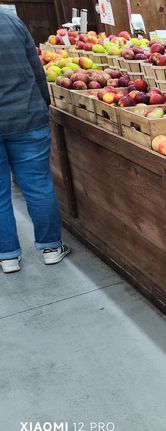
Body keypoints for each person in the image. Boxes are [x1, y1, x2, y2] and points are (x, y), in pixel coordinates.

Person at [0, 9, 69, 274]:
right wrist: (45, 104)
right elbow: (37, 70)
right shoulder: (11, 21)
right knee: (38, 185)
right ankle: (51, 248)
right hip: (27, 117)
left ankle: (7, 256)